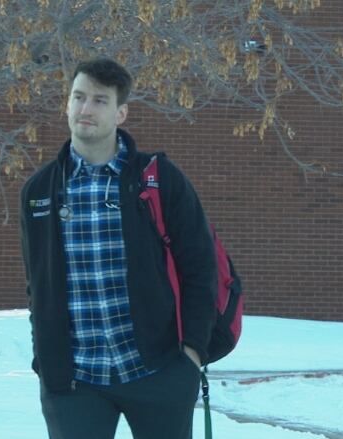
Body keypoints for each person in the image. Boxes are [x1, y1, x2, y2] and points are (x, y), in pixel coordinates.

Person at [20, 58, 217, 439]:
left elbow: (200, 267)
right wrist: (47, 361)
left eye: (99, 100)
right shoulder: (39, 191)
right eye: (78, 97)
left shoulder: (158, 179)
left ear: (121, 112)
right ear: (67, 105)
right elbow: (37, 284)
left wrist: (191, 354)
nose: (85, 109)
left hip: (157, 369)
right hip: (76, 381)